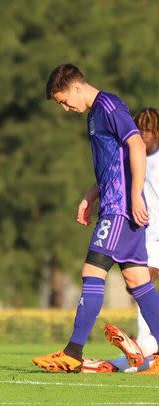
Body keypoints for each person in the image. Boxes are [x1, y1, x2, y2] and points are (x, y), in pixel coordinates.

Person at [33, 64, 159, 373]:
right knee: (138, 281)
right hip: (114, 205)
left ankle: (73, 353)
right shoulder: (93, 116)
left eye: (64, 100)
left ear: (76, 87)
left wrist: (132, 196)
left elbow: (136, 145)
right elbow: (112, 166)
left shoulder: (109, 106)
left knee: (92, 272)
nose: (65, 107)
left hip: (119, 209)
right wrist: (90, 197)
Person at [83, 108, 159, 374]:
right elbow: (111, 177)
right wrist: (91, 195)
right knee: (141, 284)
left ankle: (140, 350)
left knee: (141, 284)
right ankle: (141, 348)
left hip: (146, 226)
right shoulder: (131, 154)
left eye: (149, 132)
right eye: (141, 131)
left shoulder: (150, 158)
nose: (144, 136)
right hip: (146, 229)